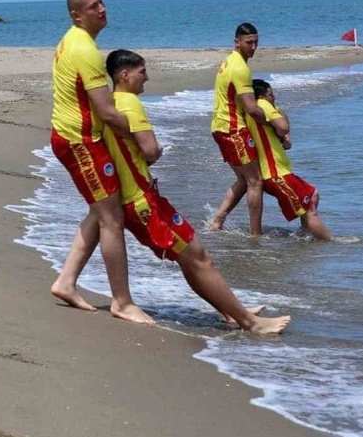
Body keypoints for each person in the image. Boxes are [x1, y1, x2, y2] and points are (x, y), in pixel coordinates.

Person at [102, 50, 291, 334]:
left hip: (139, 198)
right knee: (198, 257)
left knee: (191, 258)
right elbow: (150, 150)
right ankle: (250, 323)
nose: (147, 78)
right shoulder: (130, 104)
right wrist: (156, 151)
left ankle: (231, 312)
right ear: (124, 75)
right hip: (142, 202)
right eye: (142, 72)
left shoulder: (112, 103)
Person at [47, 0, 153, 324]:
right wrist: (141, 144)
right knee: (112, 219)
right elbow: (107, 112)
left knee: (100, 210)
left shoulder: (73, 40)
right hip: (79, 142)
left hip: (75, 137)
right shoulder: (85, 52)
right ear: (77, 16)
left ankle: (66, 281)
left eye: (102, 2)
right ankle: (122, 302)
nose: (102, 9)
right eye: (93, 6)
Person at [248, 79, 334, 241]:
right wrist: (283, 128)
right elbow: (283, 126)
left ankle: (305, 233)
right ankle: (332, 242)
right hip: (275, 173)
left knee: (313, 194)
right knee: (309, 209)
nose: (274, 97)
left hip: (278, 170)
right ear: (262, 95)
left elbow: (283, 130)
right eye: (271, 94)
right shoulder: (264, 105)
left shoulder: (259, 109)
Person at [208, 22, 267, 235]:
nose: (253, 47)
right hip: (232, 130)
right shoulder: (240, 68)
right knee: (255, 180)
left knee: (244, 179)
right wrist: (273, 125)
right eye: (249, 42)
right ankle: (255, 234)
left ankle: (217, 220)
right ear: (237, 42)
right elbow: (251, 108)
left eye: (256, 42)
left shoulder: (229, 60)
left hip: (220, 127)